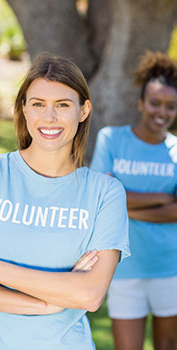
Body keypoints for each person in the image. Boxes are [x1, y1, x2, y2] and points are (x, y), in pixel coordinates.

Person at [0, 52, 130, 350]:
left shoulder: (106, 193)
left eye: (62, 105)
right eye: (38, 104)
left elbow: (89, 295)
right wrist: (46, 304)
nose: (49, 118)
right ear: (24, 109)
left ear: (83, 110)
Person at [91, 51, 177, 350]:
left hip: (170, 267)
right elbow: (99, 197)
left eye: (171, 107)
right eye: (155, 103)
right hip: (123, 267)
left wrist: (125, 207)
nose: (161, 112)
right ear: (141, 103)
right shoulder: (111, 139)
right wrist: (161, 197)